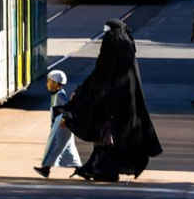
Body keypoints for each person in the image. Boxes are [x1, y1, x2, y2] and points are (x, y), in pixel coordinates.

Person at [59, 20, 162, 182]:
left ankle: (103, 170)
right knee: (106, 137)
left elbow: (100, 78)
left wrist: (82, 94)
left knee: (103, 136)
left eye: (107, 34)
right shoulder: (126, 52)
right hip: (121, 105)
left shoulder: (112, 54)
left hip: (108, 104)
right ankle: (96, 168)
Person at [34, 69, 81, 177]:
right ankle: (80, 169)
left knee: (53, 145)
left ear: (55, 84)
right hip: (59, 124)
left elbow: (67, 108)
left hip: (61, 126)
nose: (47, 83)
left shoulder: (60, 95)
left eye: (49, 81)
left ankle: (46, 169)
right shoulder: (56, 95)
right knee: (68, 148)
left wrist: (63, 119)